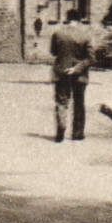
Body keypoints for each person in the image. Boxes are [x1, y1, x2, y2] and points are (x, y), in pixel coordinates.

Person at [47, 8, 94, 143]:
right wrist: (77, 68)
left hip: (62, 72)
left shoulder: (58, 33)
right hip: (80, 75)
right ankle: (77, 133)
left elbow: (53, 52)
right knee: (79, 103)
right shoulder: (86, 35)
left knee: (62, 101)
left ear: (67, 18)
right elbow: (91, 58)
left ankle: (61, 127)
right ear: (80, 20)